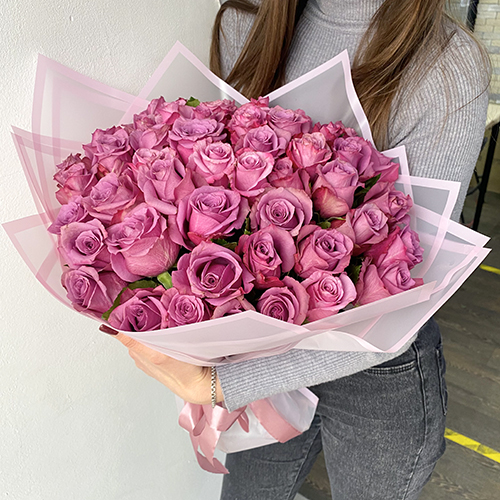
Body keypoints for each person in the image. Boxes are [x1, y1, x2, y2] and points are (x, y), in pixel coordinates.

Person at [102, 1, 490, 498]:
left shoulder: (446, 66)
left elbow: (410, 297)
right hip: (260, 352)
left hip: (377, 374)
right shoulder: (247, 21)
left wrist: (220, 385)